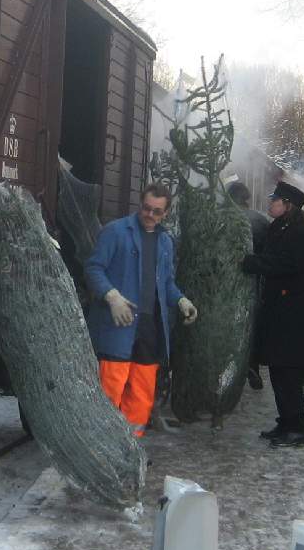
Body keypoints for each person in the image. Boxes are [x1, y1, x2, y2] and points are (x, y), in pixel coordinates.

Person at [85, 183, 198, 437]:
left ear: (166, 213)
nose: (150, 215)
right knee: (111, 387)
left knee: (142, 390)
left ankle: (131, 444)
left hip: (149, 327)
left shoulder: (165, 242)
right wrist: (112, 296)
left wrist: (181, 301)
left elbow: (166, 283)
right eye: (146, 208)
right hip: (118, 326)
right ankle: (104, 444)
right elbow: (93, 268)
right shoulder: (115, 232)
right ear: (140, 204)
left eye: (157, 212)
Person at [241, 180, 304, 448]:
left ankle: (297, 427)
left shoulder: (299, 233)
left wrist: (253, 264)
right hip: (277, 311)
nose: (270, 203)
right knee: (277, 369)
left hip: (290, 314)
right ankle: (285, 422)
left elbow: (286, 264)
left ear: (288, 205)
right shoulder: (279, 228)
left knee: (288, 373)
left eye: (275, 200)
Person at [226, 181, 266, 390]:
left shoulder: (223, 218)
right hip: (253, 283)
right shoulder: (260, 220)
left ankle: (229, 371)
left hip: (227, 285)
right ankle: (252, 367)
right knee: (250, 327)